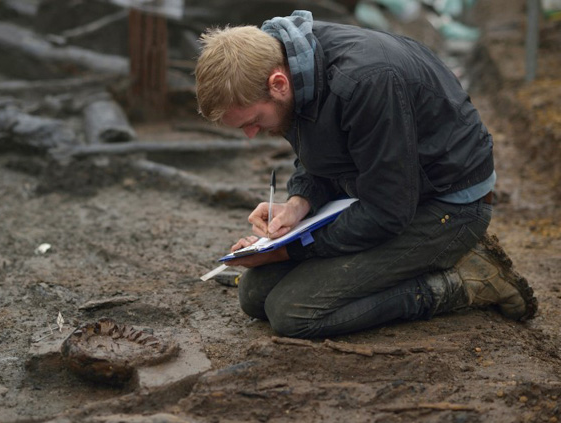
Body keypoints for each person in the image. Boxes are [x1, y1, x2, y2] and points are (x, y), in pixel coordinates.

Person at [194, 10, 537, 338]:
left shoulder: (365, 82)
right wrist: (298, 204)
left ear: (278, 83)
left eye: (253, 122)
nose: (251, 135)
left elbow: (387, 211)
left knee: (293, 312)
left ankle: (466, 279)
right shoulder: (287, 64)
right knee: (254, 295)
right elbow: (320, 151)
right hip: (387, 189)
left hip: (447, 205)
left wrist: (287, 251)